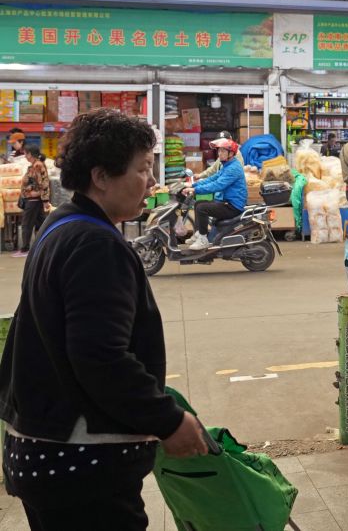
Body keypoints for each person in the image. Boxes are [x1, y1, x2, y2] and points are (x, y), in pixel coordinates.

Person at [0, 108, 208, 530]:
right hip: (80, 460)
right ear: (101, 176)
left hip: (43, 450)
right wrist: (168, 421)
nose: (151, 182)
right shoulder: (95, 244)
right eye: (142, 169)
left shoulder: (60, 225)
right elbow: (100, 356)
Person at [184, 138, 247, 251]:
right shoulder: (227, 165)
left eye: (223, 151)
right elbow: (213, 178)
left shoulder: (233, 168)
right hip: (227, 202)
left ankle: (203, 240)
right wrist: (193, 185)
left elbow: (217, 185)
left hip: (233, 206)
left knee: (202, 208)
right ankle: (200, 234)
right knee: (198, 204)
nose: (219, 153)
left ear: (231, 153)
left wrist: (195, 190)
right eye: (219, 151)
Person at [12, 147, 49, 258]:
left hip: (33, 200)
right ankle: (41, 247)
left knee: (27, 224)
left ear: (31, 154)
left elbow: (43, 183)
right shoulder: (35, 165)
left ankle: (25, 249)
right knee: (40, 224)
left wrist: (41, 196)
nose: (25, 156)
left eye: (26, 154)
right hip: (34, 200)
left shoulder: (37, 165)